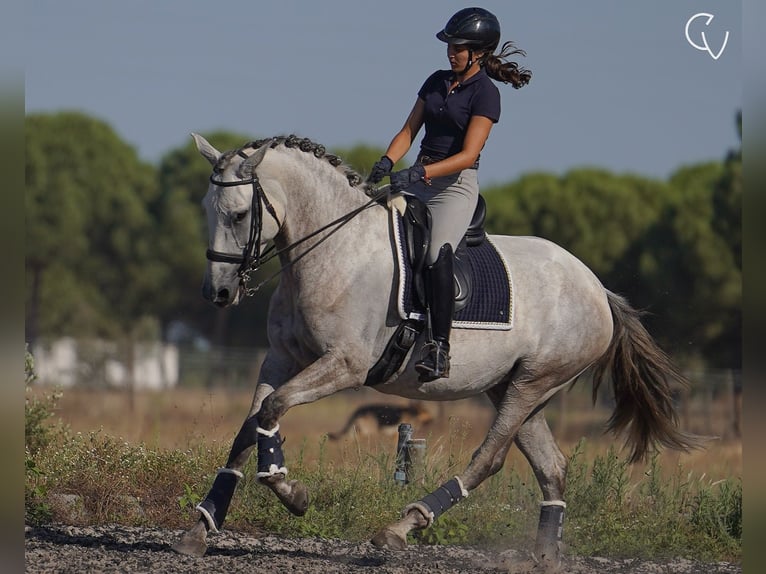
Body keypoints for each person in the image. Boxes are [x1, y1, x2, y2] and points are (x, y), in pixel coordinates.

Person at [368, 7, 532, 382]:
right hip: (417, 178)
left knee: (435, 252)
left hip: (454, 187)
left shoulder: (486, 95)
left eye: (458, 47)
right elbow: (408, 131)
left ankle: (439, 346)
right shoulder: (436, 81)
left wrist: (421, 170)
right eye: (450, 46)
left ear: (478, 52)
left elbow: (468, 155)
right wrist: (387, 160)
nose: (451, 52)